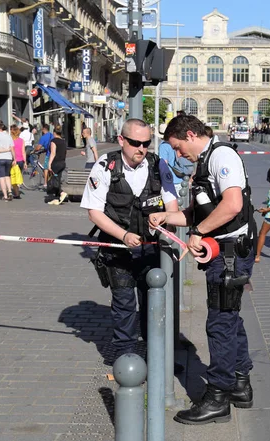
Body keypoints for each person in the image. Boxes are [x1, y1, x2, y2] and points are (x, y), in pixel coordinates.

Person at [148, 115, 256, 425]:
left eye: (179, 148)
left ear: (191, 134)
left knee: (219, 323)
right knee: (230, 317)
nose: (178, 155)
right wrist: (168, 218)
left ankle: (218, 397)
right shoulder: (207, 161)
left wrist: (198, 233)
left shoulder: (221, 156)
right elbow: (200, 214)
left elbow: (233, 205)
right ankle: (240, 383)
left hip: (230, 253)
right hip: (226, 252)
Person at [80, 118, 178, 361]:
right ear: (121, 140)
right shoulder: (105, 166)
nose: (142, 149)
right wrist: (123, 235)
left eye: (146, 143)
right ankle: (126, 360)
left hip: (151, 249)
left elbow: (172, 205)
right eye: (135, 143)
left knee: (152, 305)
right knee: (124, 306)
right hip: (117, 251)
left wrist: (165, 219)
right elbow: (94, 212)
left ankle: (158, 362)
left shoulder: (159, 166)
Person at [47, 126, 68, 205]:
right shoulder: (63, 141)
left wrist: (49, 164)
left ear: (54, 133)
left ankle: (62, 193)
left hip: (56, 163)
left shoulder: (54, 141)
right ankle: (56, 198)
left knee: (54, 180)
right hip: (62, 162)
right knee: (57, 179)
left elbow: (53, 153)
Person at [10, 125, 27, 199]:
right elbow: (23, 152)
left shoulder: (11, 141)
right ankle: (17, 190)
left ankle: (16, 193)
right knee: (18, 175)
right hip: (21, 161)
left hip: (14, 161)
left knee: (13, 176)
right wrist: (25, 162)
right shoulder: (22, 140)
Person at [37, 124, 54, 190]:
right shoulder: (51, 135)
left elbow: (38, 148)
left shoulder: (43, 137)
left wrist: (33, 151)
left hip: (48, 154)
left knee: (46, 168)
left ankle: (45, 183)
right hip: (53, 153)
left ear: (43, 129)